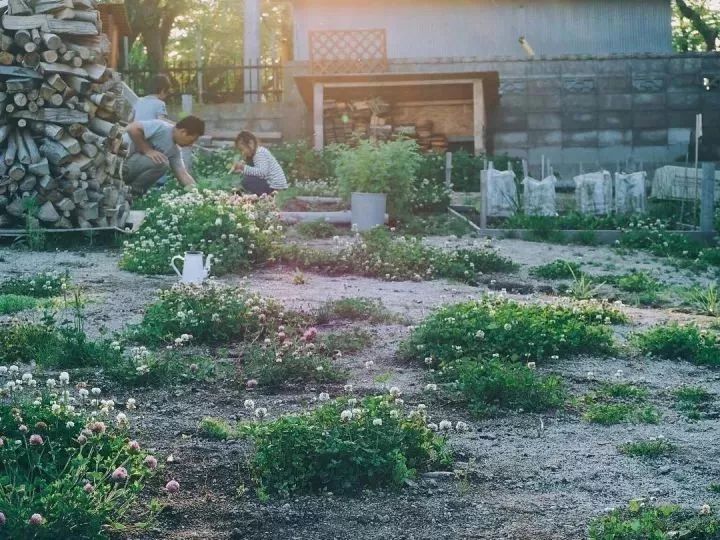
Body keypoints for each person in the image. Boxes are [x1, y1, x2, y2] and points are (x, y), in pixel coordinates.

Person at [122, 116, 205, 196]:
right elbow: (132, 128)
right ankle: (131, 193)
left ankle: (131, 193)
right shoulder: (162, 127)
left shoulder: (175, 151)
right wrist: (147, 150)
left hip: (128, 171)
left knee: (162, 163)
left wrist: (197, 193)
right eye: (191, 140)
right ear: (183, 132)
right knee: (161, 162)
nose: (191, 145)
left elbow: (183, 174)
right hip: (118, 163)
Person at [231, 131, 288, 195]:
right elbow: (255, 172)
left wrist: (243, 167)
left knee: (247, 181)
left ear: (250, 143)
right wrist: (242, 170)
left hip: (275, 187)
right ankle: (246, 193)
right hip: (271, 184)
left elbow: (262, 173)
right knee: (248, 179)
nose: (242, 153)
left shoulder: (259, 153)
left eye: (242, 149)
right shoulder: (257, 153)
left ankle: (261, 196)